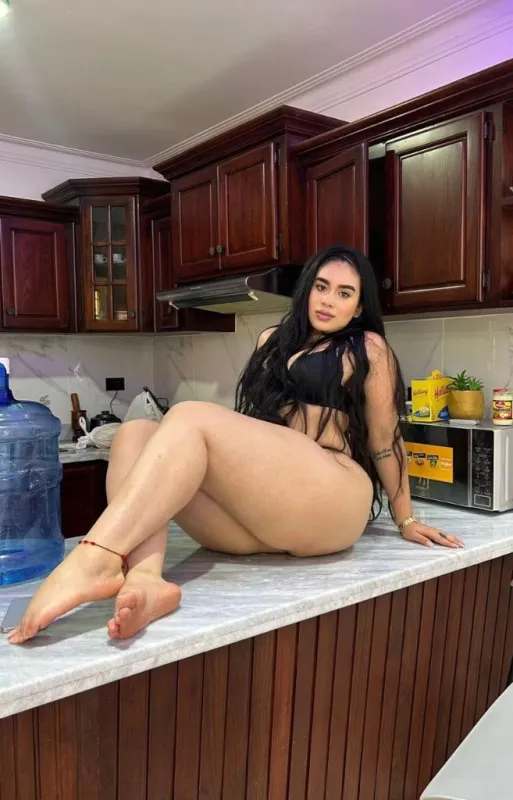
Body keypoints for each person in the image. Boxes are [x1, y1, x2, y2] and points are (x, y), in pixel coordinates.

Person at [9, 245, 463, 645]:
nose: (328, 300)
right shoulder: (270, 341)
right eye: (322, 287)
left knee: (189, 414)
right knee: (136, 433)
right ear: (306, 289)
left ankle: (96, 558)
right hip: (268, 512)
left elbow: (384, 440)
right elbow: (256, 435)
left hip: (332, 499)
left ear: (359, 307)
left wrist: (406, 518)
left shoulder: (366, 347)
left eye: (345, 293)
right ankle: (146, 579)